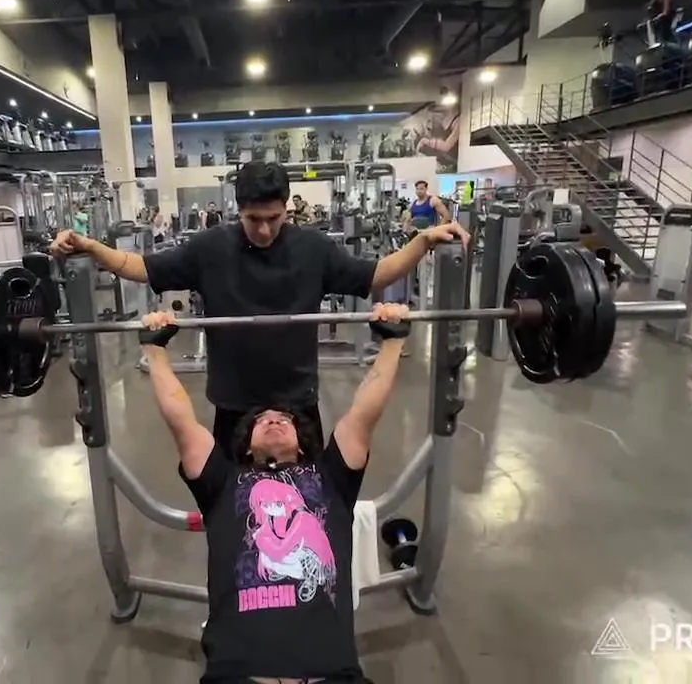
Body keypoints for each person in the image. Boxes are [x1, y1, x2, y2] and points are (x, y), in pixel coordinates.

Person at [50, 160, 469, 445]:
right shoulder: (210, 248)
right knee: (232, 504)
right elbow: (141, 266)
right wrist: (92, 248)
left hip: (298, 401)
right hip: (233, 401)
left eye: (274, 218)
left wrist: (422, 242)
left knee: (306, 506)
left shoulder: (314, 249)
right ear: (239, 211)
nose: (265, 230)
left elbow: (375, 275)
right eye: (254, 220)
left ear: (287, 209)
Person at [139, 302, 411, 684]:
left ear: (302, 442)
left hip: (332, 675)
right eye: (262, 420)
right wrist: (154, 348)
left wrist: (393, 342)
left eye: (284, 419)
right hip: (235, 676)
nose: (273, 420)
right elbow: (180, 418)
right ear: (246, 446)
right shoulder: (222, 481)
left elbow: (365, 410)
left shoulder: (331, 476)